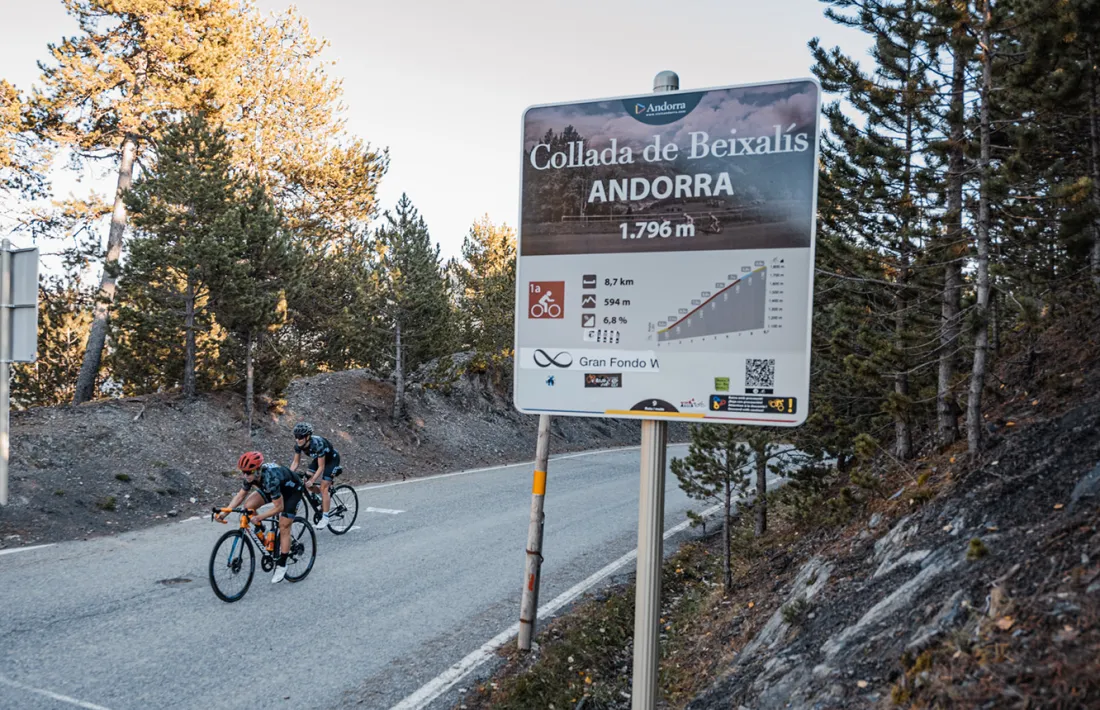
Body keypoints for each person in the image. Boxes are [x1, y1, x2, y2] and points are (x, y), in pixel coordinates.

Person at [215, 451, 305, 584]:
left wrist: (260, 517)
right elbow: (240, 496)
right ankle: (261, 531)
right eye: (243, 472)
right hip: (273, 490)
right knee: (248, 506)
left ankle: (282, 564)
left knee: (284, 525)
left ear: (257, 470)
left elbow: (279, 508)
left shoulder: (270, 478)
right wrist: (224, 513)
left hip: (292, 491)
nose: (245, 475)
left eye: (248, 472)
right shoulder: (251, 476)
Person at [290, 422, 341, 530]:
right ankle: (321, 498)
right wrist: (289, 474)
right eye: (296, 437)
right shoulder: (298, 445)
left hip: (331, 460)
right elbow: (295, 463)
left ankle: (325, 517)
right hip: (319, 459)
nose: (298, 439)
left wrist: (313, 480)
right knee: (306, 482)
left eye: (300, 437)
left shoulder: (317, 444)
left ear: (308, 436)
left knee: (324, 487)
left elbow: (321, 467)